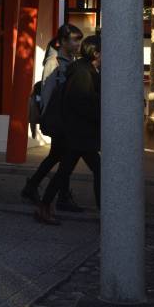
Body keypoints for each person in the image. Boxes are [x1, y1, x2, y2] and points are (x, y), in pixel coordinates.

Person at [35, 35, 102, 226]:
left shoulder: (84, 69)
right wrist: (100, 116)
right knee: (96, 171)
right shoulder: (83, 72)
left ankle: (44, 206)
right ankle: (105, 213)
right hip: (79, 133)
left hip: (78, 133)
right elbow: (81, 103)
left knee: (65, 171)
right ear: (96, 53)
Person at [20, 24, 84, 212]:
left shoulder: (70, 59)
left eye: (79, 40)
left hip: (66, 117)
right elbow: (47, 93)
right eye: (74, 40)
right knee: (63, 156)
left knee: (60, 156)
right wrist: (49, 118)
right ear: (63, 41)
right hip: (58, 118)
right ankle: (58, 195)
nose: (78, 44)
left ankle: (34, 187)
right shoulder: (53, 62)